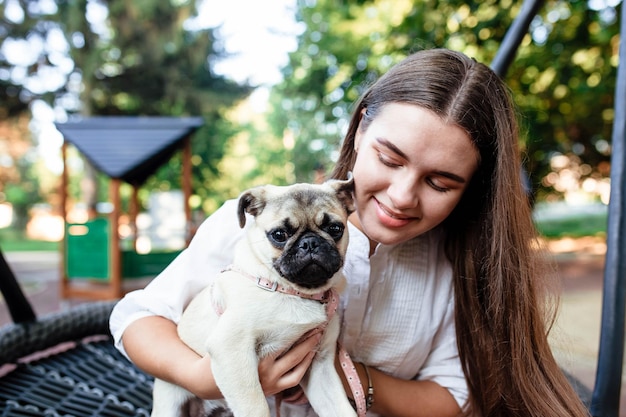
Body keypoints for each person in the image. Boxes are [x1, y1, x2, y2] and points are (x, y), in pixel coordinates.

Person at [110, 48, 590, 417]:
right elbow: (139, 317)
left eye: (440, 182)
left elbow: (452, 398)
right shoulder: (257, 225)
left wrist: (351, 376)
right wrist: (204, 376)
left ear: (472, 189)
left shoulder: (455, 265)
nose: (403, 195)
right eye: (390, 158)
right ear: (361, 130)